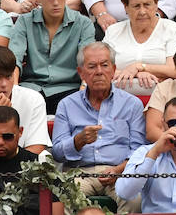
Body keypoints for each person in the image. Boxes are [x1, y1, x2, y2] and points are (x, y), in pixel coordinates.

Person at [48, 42, 148, 200]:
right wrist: (77, 141)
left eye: (105, 65)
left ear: (114, 70)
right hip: (79, 174)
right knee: (65, 196)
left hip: (120, 173)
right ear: (81, 73)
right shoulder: (67, 105)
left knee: (136, 198)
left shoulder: (131, 104)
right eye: (92, 66)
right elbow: (57, 153)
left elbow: (139, 150)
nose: (99, 72)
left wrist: (118, 170)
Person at [6, 0, 93, 111]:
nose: (56, 2)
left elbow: (88, 60)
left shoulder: (84, 23)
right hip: (31, 89)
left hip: (70, 90)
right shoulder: (24, 22)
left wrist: (83, 93)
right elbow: (15, 59)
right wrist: (15, 92)